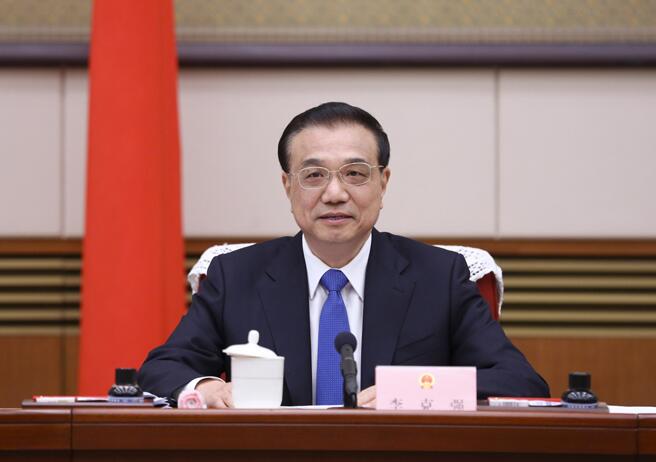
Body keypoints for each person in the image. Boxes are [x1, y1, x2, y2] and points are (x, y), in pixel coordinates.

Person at [138, 102, 549, 407]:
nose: (335, 193)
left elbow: (521, 381)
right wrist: (205, 388)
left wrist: (407, 391)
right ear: (287, 186)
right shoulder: (237, 275)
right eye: (314, 175)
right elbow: (161, 369)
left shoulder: (438, 277)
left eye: (355, 174)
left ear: (383, 183)